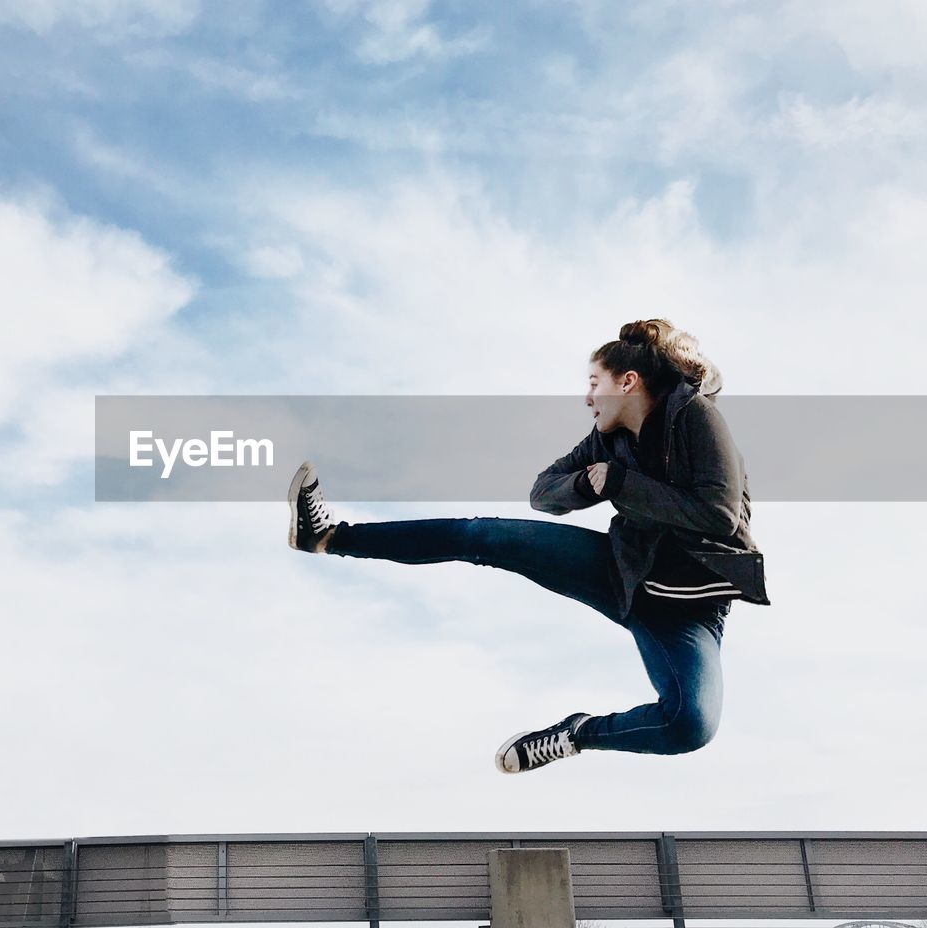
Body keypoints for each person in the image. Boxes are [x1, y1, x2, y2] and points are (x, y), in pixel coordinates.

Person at [287, 319, 770, 774]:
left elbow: (718, 515)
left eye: (593, 382)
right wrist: (586, 484)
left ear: (627, 382)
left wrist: (620, 483)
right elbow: (542, 493)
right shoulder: (606, 440)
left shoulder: (694, 417)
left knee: (690, 726)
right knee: (480, 535)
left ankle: (576, 734)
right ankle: (329, 537)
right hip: (620, 573)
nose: (586, 398)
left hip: (689, 611)